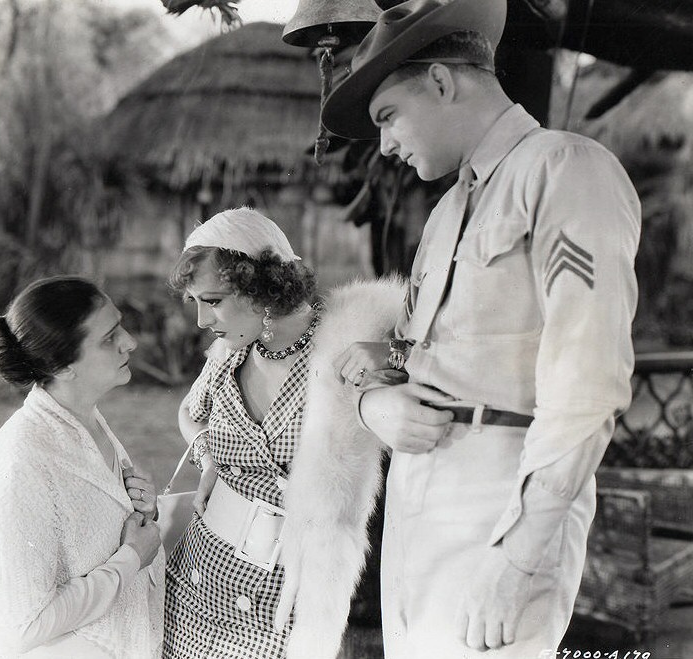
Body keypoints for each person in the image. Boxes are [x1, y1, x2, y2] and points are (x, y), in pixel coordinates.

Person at [319, 0, 642, 656]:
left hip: (501, 502)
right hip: (420, 507)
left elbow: (588, 385)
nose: (384, 145)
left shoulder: (565, 169)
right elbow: (429, 349)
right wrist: (374, 391)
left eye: (388, 116)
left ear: (440, 81)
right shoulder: (445, 217)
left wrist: (518, 557)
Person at [163, 207, 406, 659]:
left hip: (285, 596)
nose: (200, 321)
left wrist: (394, 356)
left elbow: (428, 387)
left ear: (263, 287)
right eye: (195, 303)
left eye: (212, 301)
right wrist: (208, 452)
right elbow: (190, 411)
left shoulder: (344, 350)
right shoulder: (227, 355)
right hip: (196, 578)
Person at [0, 276, 164, 659]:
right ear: (62, 367)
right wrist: (131, 559)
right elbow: (24, 626)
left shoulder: (85, 417)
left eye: (121, 325)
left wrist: (140, 510)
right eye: (108, 337)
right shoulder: (23, 461)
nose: (129, 341)